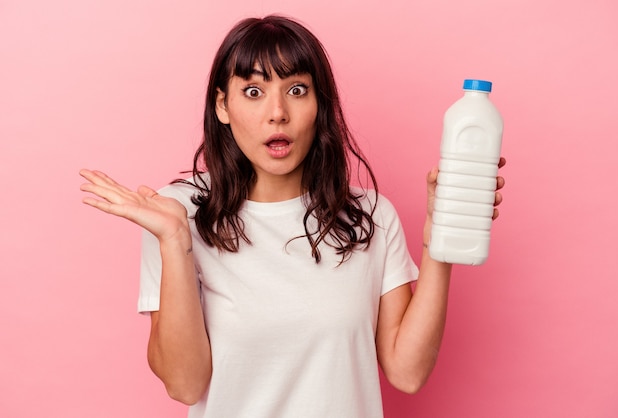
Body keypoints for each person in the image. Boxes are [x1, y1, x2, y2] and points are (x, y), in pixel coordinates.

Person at [79, 15, 505, 418]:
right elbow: (185, 385)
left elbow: (407, 373)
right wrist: (174, 241)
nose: (277, 112)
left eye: (297, 90)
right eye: (253, 91)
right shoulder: (178, 213)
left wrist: (439, 241)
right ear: (222, 106)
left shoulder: (370, 215)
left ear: (320, 104)